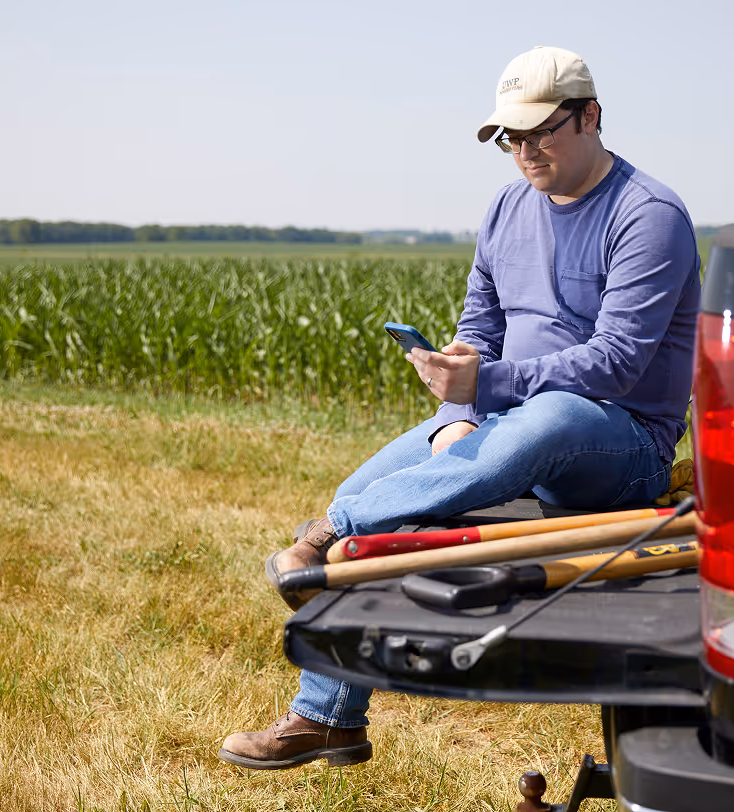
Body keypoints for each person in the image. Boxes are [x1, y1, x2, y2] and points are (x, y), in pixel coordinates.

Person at [218, 45, 701, 771]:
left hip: (620, 441)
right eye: (510, 137)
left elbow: (616, 362)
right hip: (511, 418)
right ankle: (327, 719)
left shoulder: (649, 215)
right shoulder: (507, 207)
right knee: (369, 487)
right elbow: (480, 328)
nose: (524, 150)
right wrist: (456, 415)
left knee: (552, 418)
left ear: (591, 115)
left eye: (540, 130)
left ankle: (328, 535)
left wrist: (488, 390)